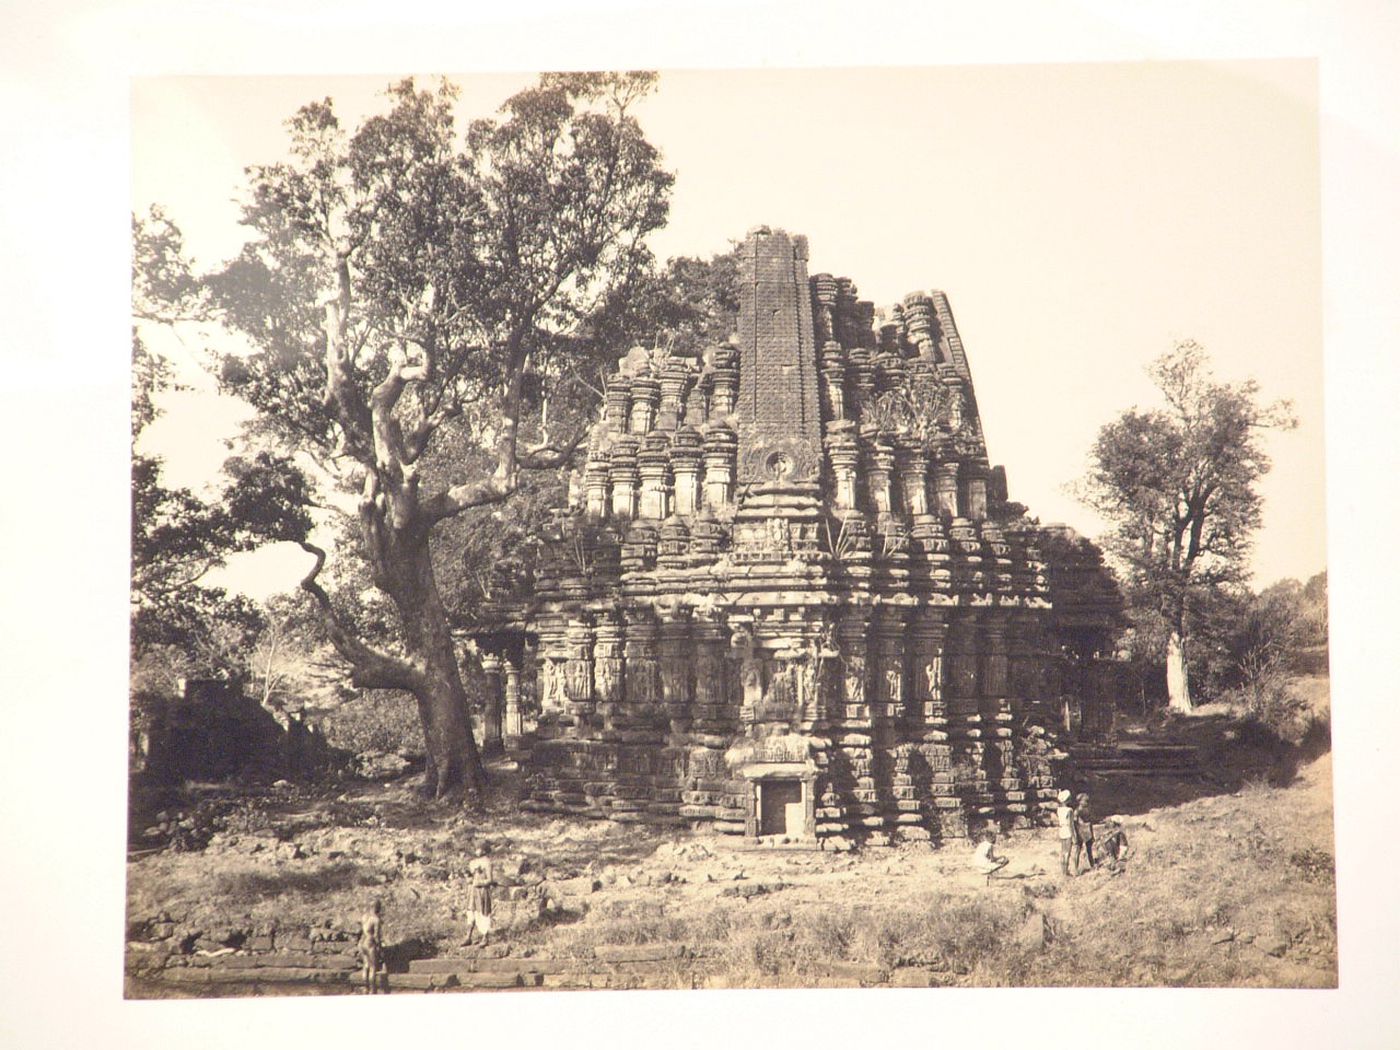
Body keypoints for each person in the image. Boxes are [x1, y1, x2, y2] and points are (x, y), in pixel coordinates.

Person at [465, 844, 495, 947]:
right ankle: (468, 936)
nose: (476, 850)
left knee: (483, 913)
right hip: (472, 891)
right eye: (476, 848)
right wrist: (468, 879)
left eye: (479, 848)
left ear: (484, 850)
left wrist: (480, 882)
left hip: (482, 891)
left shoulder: (487, 862)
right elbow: (469, 876)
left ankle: (485, 938)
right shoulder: (473, 862)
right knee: (470, 912)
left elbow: (490, 880)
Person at [356, 898, 385, 994]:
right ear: (377, 907)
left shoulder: (364, 917)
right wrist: (380, 948)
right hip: (370, 943)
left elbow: (361, 931)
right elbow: (377, 936)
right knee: (373, 967)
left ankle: (365, 988)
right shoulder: (376, 919)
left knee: (366, 966)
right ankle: (373, 989)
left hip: (362, 943)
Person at [1072, 792, 1095, 875]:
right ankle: (1075, 868)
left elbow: (1090, 823)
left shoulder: (1087, 810)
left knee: (1089, 850)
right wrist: (1075, 834)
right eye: (1085, 801)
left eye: (1087, 801)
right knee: (1078, 850)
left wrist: (1092, 834)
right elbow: (1074, 824)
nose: (1087, 803)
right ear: (1080, 801)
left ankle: (1092, 865)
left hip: (1087, 831)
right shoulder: (1077, 811)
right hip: (1080, 831)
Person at [1055, 789, 1075, 876]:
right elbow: (1071, 824)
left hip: (1061, 830)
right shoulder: (1069, 810)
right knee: (1068, 852)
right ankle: (1066, 871)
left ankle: (1063, 870)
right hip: (1067, 830)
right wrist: (1074, 835)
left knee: (1063, 851)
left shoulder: (1059, 810)